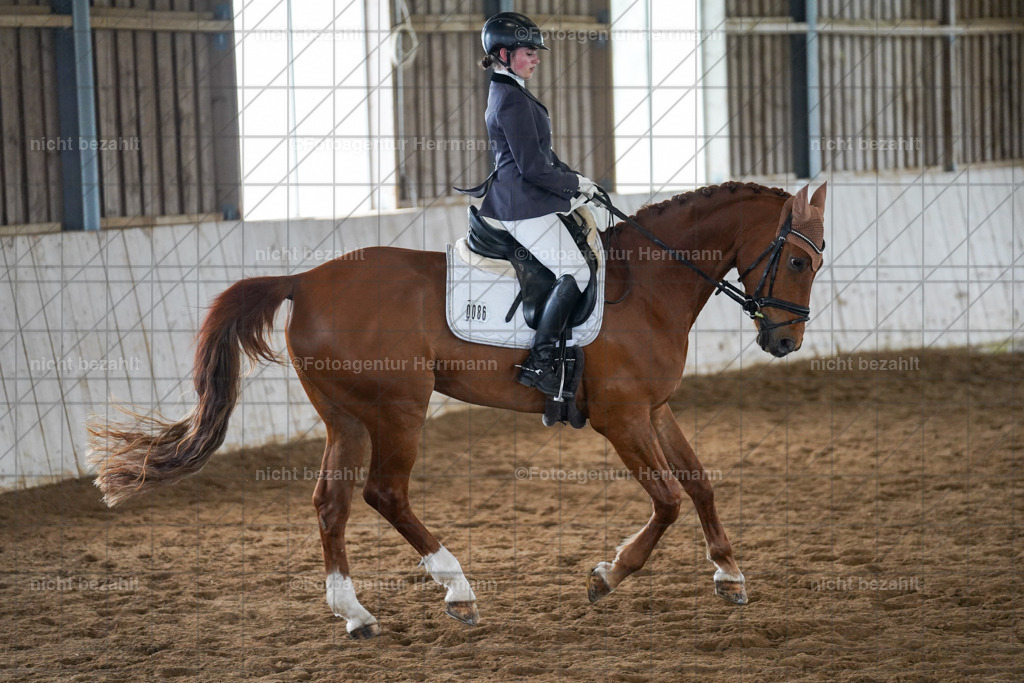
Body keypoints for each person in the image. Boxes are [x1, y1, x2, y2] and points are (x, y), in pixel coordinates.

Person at [464, 11, 600, 396]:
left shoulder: (512, 91)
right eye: (529, 52)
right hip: (519, 205)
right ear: (503, 54)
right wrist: (573, 184)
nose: (537, 57)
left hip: (525, 197)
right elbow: (533, 168)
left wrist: (579, 180)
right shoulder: (510, 99)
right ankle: (540, 363)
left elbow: (545, 156)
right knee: (577, 272)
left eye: (536, 52)